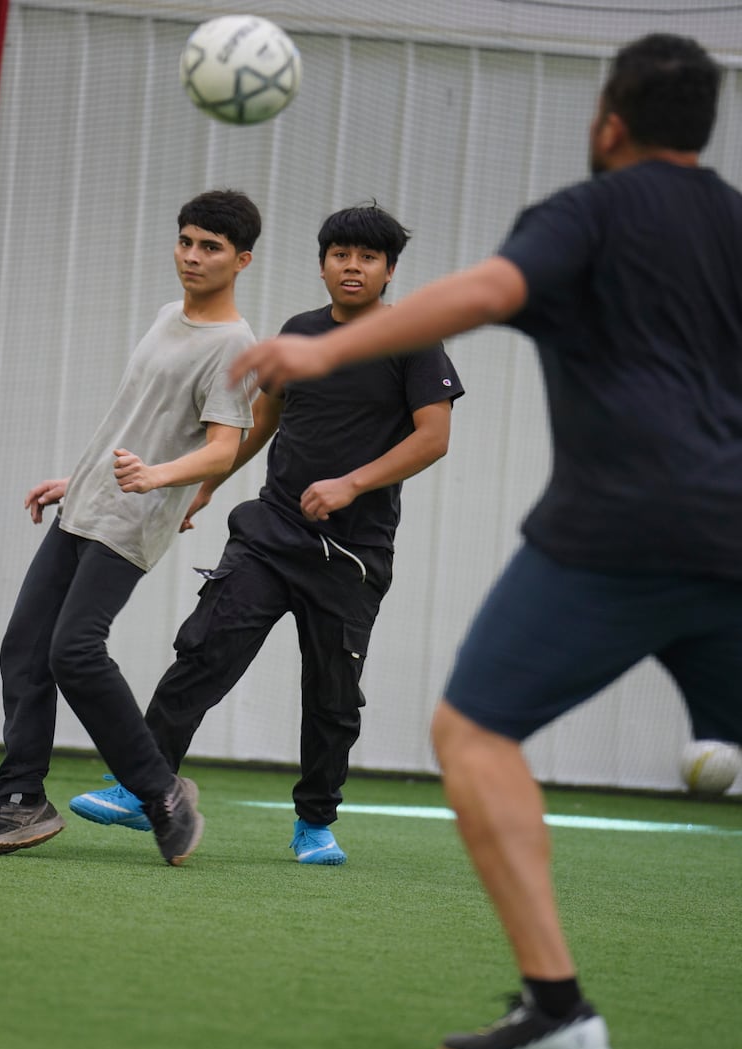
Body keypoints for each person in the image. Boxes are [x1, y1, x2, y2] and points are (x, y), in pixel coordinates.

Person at [230, 34, 742, 1049]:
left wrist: (323, 344)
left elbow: (485, 293)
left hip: (615, 529)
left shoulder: (586, 212)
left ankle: (560, 1006)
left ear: (609, 121)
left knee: (474, 732)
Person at [67, 202, 464, 865]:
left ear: (390, 270)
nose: (352, 267)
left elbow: (434, 437)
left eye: (367, 258)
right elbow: (263, 417)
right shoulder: (298, 333)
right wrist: (211, 482)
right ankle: (143, 787)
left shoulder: (414, 341)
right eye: (340, 254)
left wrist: (352, 484)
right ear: (322, 264)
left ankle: (314, 823)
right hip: (269, 533)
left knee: (333, 696)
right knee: (205, 649)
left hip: (351, 557)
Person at [0, 189, 261, 867]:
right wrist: (80, 476)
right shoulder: (165, 317)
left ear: (242, 260)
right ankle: (20, 799)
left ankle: (161, 795)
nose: (192, 256)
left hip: (136, 515)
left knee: (75, 650)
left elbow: (223, 447)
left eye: (210, 247)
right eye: (185, 241)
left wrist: (158, 479)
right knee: (25, 646)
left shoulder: (237, 346)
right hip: (90, 500)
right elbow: (134, 418)